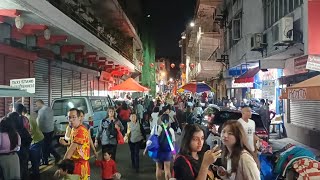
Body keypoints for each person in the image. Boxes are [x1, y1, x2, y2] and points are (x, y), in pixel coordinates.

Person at [145, 114, 176, 180]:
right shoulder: (171, 130)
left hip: (158, 151)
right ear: (168, 121)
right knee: (167, 169)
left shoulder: (157, 128)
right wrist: (174, 153)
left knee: (158, 167)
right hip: (167, 152)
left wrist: (146, 149)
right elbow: (173, 142)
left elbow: (150, 139)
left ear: (161, 120)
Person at [64, 108, 90, 180]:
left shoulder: (81, 131)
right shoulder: (74, 128)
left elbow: (71, 150)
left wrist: (62, 167)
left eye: (73, 117)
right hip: (74, 164)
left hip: (80, 167)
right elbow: (74, 146)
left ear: (79, 118)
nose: (71, 120)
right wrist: (65, 144)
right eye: (69, 117)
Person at [7, 111, 31, 180]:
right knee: (24, 169)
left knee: (19, 171)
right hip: (25, 152)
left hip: (18, 154)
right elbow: (29, 139)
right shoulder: (22, 128)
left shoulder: (14, 131)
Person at [35, 99, 61, 165]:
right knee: (47, 145)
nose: (36, 106)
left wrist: (37, 130)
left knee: (45, 146)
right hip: (51, 130)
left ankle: (55, 156)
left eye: (36, 105)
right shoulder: (50, 109)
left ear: (39, 103)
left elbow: (39, 122)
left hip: (44, 131)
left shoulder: (41, 111)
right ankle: (45, 160)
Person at [25, 108, 44, 179]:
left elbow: (31, 131)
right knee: (35, 159)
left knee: (34, 159)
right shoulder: (28, 117)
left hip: (36, 140)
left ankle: (36, 176)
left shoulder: (28, 118)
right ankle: (35, 174)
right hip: (37, 139)